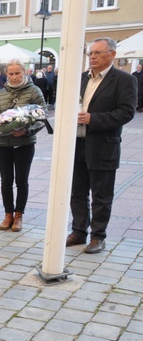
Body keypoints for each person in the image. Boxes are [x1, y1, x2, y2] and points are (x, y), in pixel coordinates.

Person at [67, 37, 138, 254]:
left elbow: (126, 112)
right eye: (91, 54)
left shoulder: (124, 80)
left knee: (101, 195)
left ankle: (98, 236)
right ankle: (79, 231)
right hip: (76, 144)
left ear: (112, 55)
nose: (93, 57)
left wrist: (93, 119)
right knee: (77, 192)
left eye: (98, 53)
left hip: (103, 145)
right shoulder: (80, 79)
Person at [0, 59, 46, 233]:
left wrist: (27, 130)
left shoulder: (34, 91)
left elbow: (42, 116)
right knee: (6, 181)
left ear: (25, 72)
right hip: (4, 143)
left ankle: (19, 214)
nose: (14, 77)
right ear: (6, 74)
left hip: (24, 144)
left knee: (21, 181)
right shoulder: (1, 93)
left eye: (17, 73)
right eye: (11, 74)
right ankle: (8, 214)